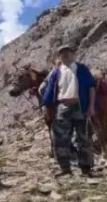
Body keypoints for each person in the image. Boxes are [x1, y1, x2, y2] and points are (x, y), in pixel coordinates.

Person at [41, 45, 97, 176]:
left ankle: (86, 168)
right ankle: (65, 168)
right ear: (59, 57)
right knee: (60, 138)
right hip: (62, 107)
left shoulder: (82, 68)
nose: (65, 56)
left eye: (68, 53)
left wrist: (91, 106)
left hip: (80, 106)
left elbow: (91, 87)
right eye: (62, 54)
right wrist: (46, 106)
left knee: (83, 137)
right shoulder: (56, 72)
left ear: (74, 55)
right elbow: (49, 91)